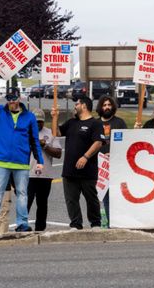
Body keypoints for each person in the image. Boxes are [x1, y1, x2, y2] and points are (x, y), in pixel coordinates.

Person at [0, 86, 44, 234]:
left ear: (19, 98)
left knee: (22, 193)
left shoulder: (30, 117)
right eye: (9, 99)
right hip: (0, 160)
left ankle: (22, 223)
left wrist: (40, 161)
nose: (11, 102)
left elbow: (34, 141)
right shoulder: (0, 111)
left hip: (21, 162)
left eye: (14, 98)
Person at [52, 96, 103, 230]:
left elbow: (98, 142)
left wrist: (85, 157)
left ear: (84, 106)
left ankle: (95, 223)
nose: (75, 106)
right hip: (70, 170)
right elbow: (56, 133)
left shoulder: (95, 124)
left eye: (77, 104)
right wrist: (55, 117)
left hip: (88, 170)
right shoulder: (71, 122)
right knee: (71, 200)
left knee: (91, 199)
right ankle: (75, 224)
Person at [27, 109, 62, 231]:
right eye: (35, 122)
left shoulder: (50, 133)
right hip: (28, 174)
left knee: (42, 204)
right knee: (25, 203)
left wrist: (45, 145)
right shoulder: (25, 132)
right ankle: (22, 226)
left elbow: (58, 153)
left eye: (40, 122)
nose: (38, 124)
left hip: (45, 175)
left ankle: (40, 229)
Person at [96, 95, 127, 226]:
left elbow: (126, 143)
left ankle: (118, 223)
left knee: (117, 197)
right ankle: (105, 224)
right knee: (103, 197)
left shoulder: (120, 123)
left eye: (109, 105)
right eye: (104, 105)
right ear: (100, 107)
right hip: (100, 166)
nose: (107, 107)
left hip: (117, 165)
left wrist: (114, 154)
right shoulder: (95, 123)